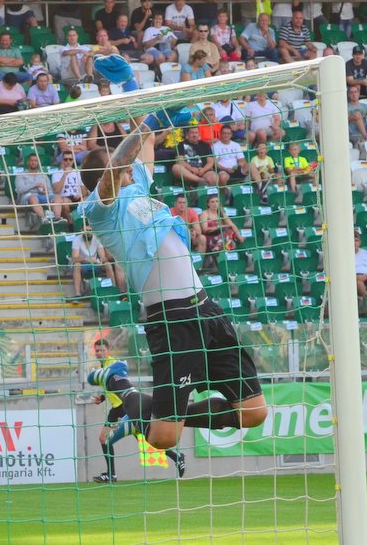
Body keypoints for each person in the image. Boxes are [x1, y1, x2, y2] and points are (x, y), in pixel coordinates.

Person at [81, 56, 266, 450]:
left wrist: (131, 85)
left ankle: (154, 410)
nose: (131, 170)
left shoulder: (135, 186)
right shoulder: (100, 210)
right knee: (164, 439)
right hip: (171, 321)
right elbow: (117, 166)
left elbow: (144, 142)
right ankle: (122, 387)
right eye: (123, 168)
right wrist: (150, 122)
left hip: (206, 308)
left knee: (254, 413)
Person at [89, 339, 185, 483]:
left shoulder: (114, 364)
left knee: (108, 438)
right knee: (144, 437)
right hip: (117, 409)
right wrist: (102, 398)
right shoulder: (102, 368)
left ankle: (111, 475)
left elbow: (122, 384)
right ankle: (176, 457)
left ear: (108, 350)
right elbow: (112, 388)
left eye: (102, 350)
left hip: (124, 407)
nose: (99, 353)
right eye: (97, 351)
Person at [71, 225, 116, 298]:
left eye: (90, 230)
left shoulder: (97, 238)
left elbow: (102, 257)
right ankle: (77, 294)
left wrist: (100, 260)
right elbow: (74, 259)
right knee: (76, 265)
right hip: (83, 265)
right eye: (86, 230)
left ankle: (113, 289)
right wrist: (87, 259)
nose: (88, 233)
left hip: (95, 264)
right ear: (81, 231)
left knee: (108, 264)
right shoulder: (77, 239)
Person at [15, 153, 60, 223]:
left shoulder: (43, 175)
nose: (33, 162)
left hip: (43, 196)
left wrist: (45, 191)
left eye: (35, 161)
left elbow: (50, 190)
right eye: (31, 160)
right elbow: (20, 190)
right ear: (28, 162)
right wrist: (35, 185)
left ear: (38, 162)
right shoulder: (21, 175)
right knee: (33, 198)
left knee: (57, 197)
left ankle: (58, 218)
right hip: (28, 197)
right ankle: (44, 219)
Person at [52, 155, 86, 227]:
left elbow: (84, 191)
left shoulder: (78, 173)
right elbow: (57, 190)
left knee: (88, 200)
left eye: (70, 159)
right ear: (62, 160)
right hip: (65, 197)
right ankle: (70, 222)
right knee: (64, 202)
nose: (68, 161)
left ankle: (86, 223)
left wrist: (80, 195)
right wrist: (65, 174)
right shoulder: (56, 174)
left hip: (78, 197)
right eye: (65, 159)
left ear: (73, 161)